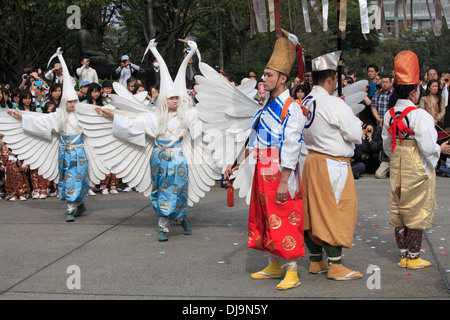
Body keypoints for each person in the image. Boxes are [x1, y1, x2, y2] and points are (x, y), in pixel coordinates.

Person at [225, 37, 305, 291]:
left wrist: (284, 179)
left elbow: (292, 146)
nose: (264, 79)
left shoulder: (291, 108)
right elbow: (254, 139)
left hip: (279, 168)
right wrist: (237, 162)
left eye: (269, 75)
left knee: (284, 214)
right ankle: (273, 264)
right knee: (264, 216)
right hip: (261, 165)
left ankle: (291, 270)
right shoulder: (265, 107)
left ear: (283, 78)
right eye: (264, 74)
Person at [3, 49, 107, 222]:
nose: (73, 104)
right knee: (66, 179)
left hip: (79, 152)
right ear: (64, 103)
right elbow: (40, 122)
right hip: (64, 152)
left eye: (75, 101)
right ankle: (75, 205)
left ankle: (73, 206)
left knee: (78, 179)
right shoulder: (58, 116)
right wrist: (21, 116)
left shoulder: (84, 116)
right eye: (70, 102)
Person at [301, 51, 363, 281]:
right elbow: (355, 133)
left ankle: (316, 260)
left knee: (312, 212)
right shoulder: (332, 102)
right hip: (332, 164)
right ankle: (336, 266)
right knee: (334, 211)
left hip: (311, 161)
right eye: (335, 79)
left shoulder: (305, 100)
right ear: (330, 79)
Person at [381, 50, 441, 269]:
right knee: (415, 209)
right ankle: (414, 257)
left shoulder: (389, 114)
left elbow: (387, 144)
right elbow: (427, 146)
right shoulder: (420, 116)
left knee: (398, 209)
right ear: (415, 92)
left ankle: (403, 254)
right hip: (416, 166)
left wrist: (396, 157)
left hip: (397, 164)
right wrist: (439, 149)